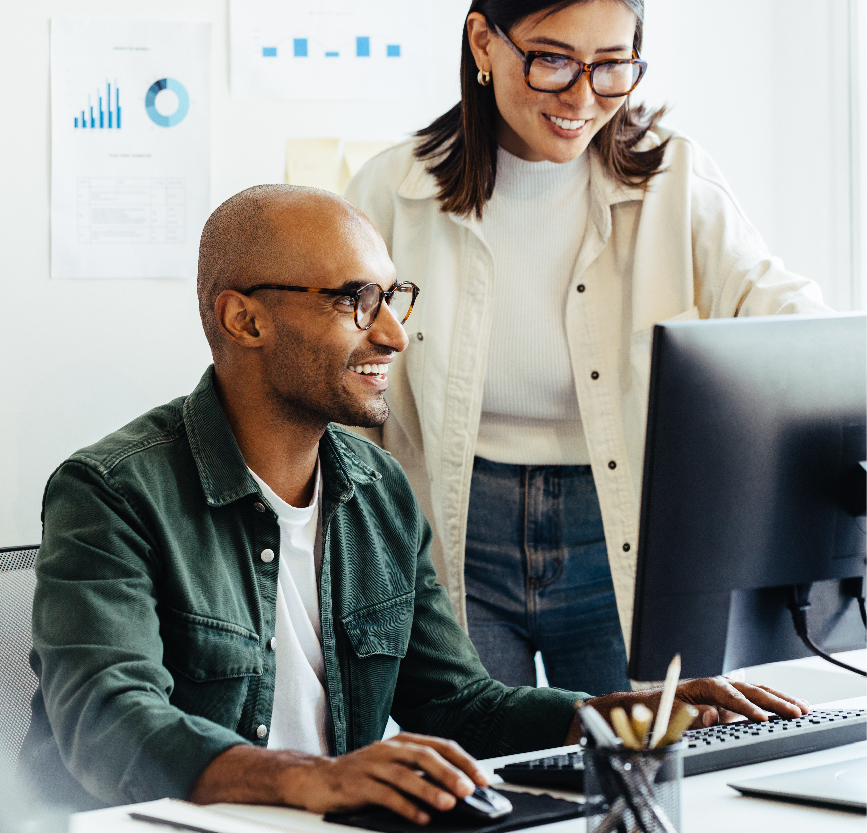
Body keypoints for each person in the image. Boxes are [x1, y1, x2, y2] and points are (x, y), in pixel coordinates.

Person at [20, 185, 810, 819]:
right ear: (244, 317)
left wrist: (623, 718)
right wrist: (310, 777)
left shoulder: (376, 486)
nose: (395, 335)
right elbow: (106, 721)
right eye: (355, 300)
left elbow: (458, 701)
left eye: (395, 296)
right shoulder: (111, 491)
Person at [344, 0, 830, 694]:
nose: (581, 97)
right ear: (483, 42)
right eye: (551, 60)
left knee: (636, 764)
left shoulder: (677, 182)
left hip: (618, 525)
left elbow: (794, 328)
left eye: (611, 67)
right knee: (492, 774)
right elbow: (335, 369)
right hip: (455, 527)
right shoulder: (393, 191)